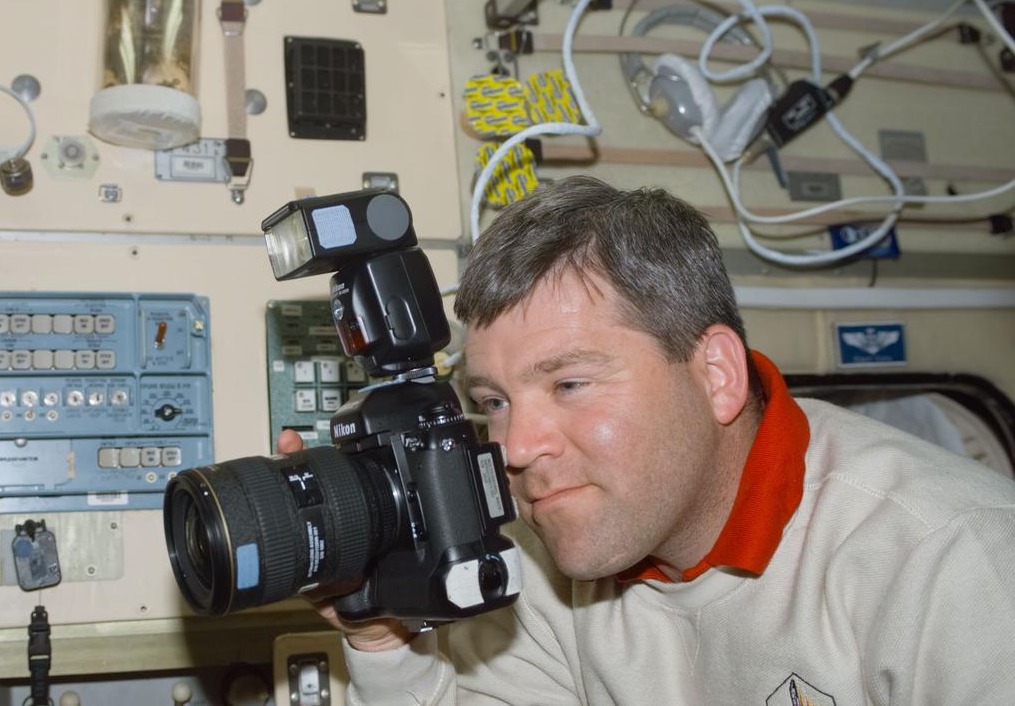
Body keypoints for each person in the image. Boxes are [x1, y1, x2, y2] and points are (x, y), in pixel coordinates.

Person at [278, 175, 1015, 705]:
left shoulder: (953, 563)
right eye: (493, 401)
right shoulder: (544, 564)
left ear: (717, 373)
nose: (517, 447)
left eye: (569, 383)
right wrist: (379, 636)